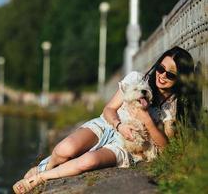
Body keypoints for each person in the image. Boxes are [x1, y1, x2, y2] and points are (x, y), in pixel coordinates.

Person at [12, 46, 195, 194]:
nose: (162, 76)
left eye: (170, 74)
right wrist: (119, 125)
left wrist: (146, 119)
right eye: (161, 69)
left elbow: (166, 148)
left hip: (126, 147)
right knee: (64, 150)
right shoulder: (138, 79)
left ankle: (39, 179)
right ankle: (43, 168)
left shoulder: (174, 107)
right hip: (107, 125)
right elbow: (108, 109)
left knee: (87, 162)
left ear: (180, 78)